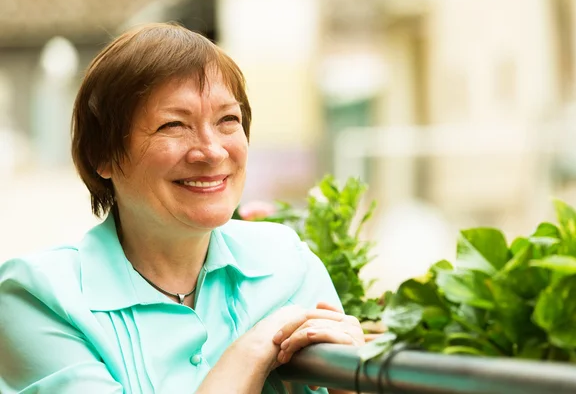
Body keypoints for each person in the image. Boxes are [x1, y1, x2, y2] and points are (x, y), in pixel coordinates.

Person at [0, 23, 364, 394]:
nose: (212, 151)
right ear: (103, 156)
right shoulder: (38, 295)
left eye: (228, 120)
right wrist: (257, 347)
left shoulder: (287, 263)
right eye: (173, 125)